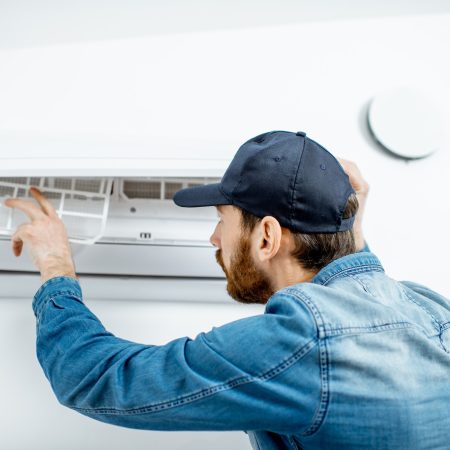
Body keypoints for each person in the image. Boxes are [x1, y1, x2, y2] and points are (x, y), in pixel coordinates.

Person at [4, 130, 450, 450]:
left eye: (222, 219)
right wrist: (347, 221)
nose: (215, 239)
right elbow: (361, 290)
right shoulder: (429, 308)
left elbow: (96, 379)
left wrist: (56, 261)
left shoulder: (300, 343)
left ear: (267, 238)